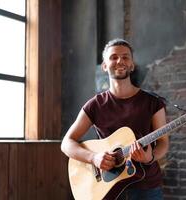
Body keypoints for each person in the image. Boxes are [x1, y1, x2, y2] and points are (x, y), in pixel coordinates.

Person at [61, 38, 169, 200]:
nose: (120, 61)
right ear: (104, 66)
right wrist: (94, 158)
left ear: (132, 65)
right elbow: (67, 143)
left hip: (146, 186)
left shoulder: (153, 103)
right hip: (108, 186)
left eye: (126, 57)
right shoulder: (95, 105)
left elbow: (163, 143)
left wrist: (149, 157)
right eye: (113, 57)